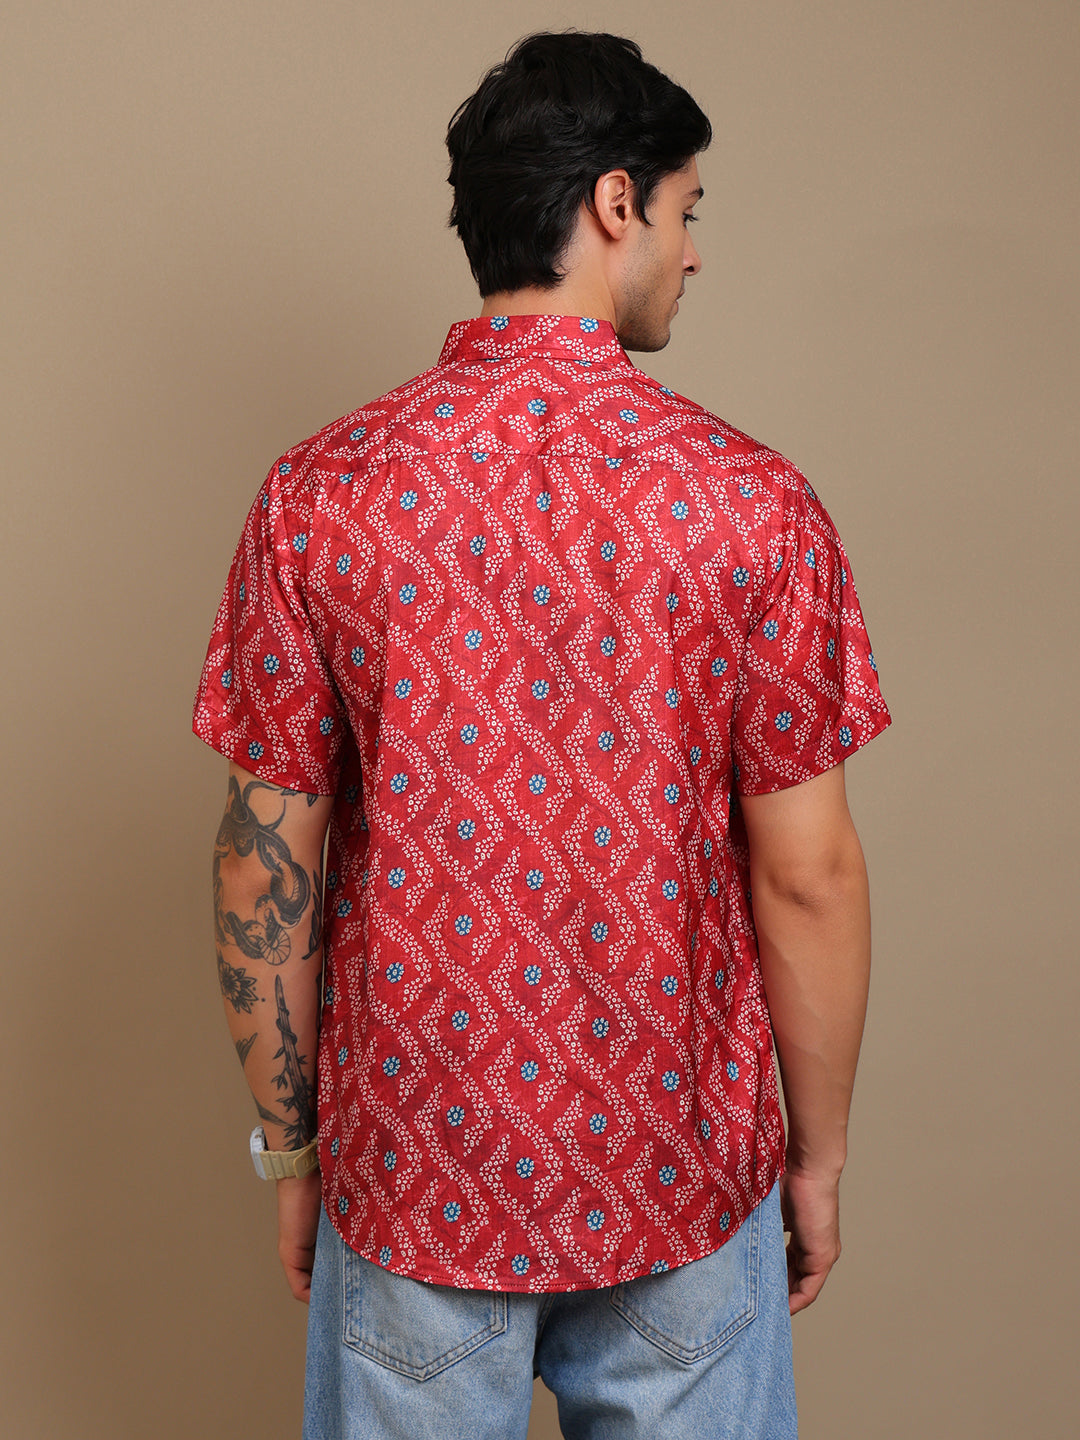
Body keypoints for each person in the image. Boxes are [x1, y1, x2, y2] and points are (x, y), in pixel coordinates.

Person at [193, 28, 891, 1440]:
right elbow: (808, 874)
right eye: (686, 211)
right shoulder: (751, 503)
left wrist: (293, 1152)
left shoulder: (321, 494)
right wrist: (813, 1161)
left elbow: (264, 862)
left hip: (415, 1175)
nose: (693, 253)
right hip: (680, 1175)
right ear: (615, 203)